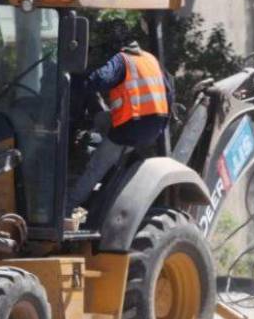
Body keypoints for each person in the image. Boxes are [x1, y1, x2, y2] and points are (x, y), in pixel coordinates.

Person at [67, 39, 174, 210]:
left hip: (128, 129)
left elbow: (100, 79)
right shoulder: (151, 59)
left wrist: (76, 80)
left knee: (96, 166)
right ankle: (109, 156)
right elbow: (170, 92)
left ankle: (69, 205)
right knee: (101, 119)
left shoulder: (122, 59)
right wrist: (162, 127)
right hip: (153, 129)